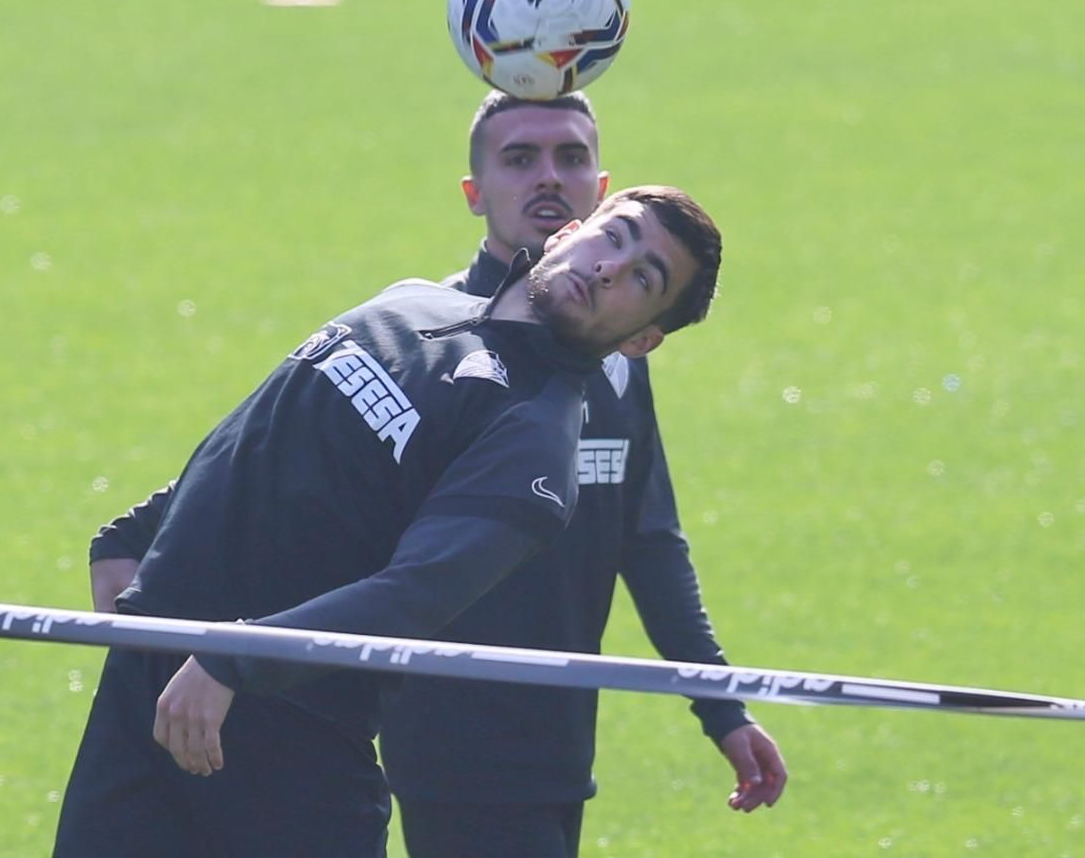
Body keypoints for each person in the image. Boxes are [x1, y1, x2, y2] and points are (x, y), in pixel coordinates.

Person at [57, 184, 724, 857]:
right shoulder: (411, 299)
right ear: (567, 233)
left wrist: (236, 659)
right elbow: (264, 426)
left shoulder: (534, 445)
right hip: (154, 682)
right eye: (615, 237)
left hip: (280, 739)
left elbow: (413, 596)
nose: (610, 268)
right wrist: (135, 532)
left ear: (641, 340)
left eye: (644, 277)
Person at [378, 91, 786, 858]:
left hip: (558, 744)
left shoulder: (614, 357)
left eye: (570, 157)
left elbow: (650, 544)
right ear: (475, 193)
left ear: (598, 193)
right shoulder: (428, 343)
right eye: (519, 158)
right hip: (449, 747)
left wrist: (722, 709)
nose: (548, 178)